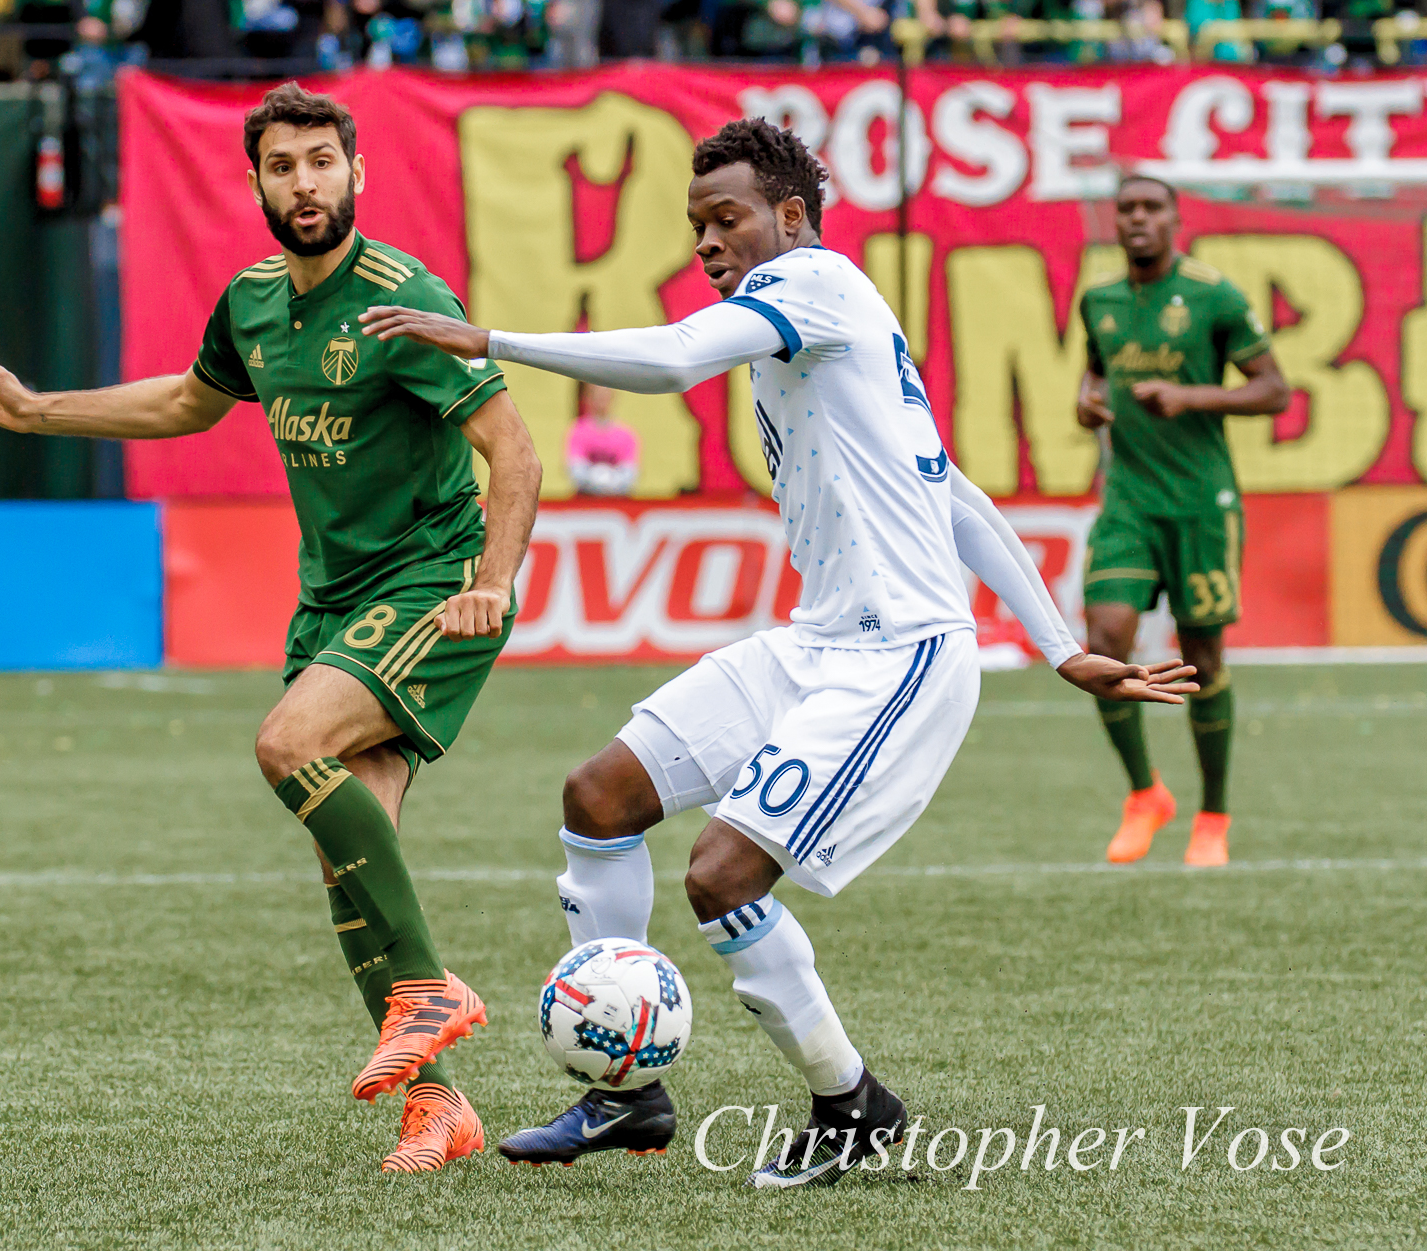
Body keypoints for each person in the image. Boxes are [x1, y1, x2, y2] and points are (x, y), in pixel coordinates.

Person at [360, 118, 1195, 1189]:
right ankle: (626, 1094)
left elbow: (668, 363)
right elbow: (955, 490)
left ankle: (851, 1102)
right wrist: (1061, 642)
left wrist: (489, 339)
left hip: (896, 657)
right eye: (697, 225)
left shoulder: (813, 283)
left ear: (789, 218)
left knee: (721, 874)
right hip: (818, 640)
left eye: (727, 219)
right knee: (598, 796)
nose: (707, 242)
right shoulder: (815, 321)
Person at [0, 82, 542, 1174]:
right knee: (349, 851)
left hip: (432, 577)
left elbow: (515, 447)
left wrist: (493, 580)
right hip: (332, 599)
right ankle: (439, 1105)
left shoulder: (399, 299)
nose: (305, 183)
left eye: (323, 161)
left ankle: (431, 986)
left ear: (356, 173)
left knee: (286, 744)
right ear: (257, 181)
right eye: (283, 166)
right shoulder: (254, 300)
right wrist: (34, 409)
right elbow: (185, 402)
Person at [1076, 175, 1289, 869]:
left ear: (1175, 219)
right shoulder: (1099, 300)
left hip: (1202, 503)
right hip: (1130, 500)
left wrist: (1190, 396)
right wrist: (1088, 401)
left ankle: (1214, 815)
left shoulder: (1214, 295)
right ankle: (1145, 794)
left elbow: (1274, 391)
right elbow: (1095, 374)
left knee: (1202, 660)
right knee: (1105, 639)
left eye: (1151, 209)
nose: (1137, 220)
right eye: (1127, 209)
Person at [566, 383, 640, 496]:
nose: (601, 399)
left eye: (605, 394)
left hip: (618, 500)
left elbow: (630, 474)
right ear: (588, 397)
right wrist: (597, 480)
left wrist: (610, 482)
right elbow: (576, 471)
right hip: (585, 500)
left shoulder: (626, 435)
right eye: (597, 394)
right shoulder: (577, 430)